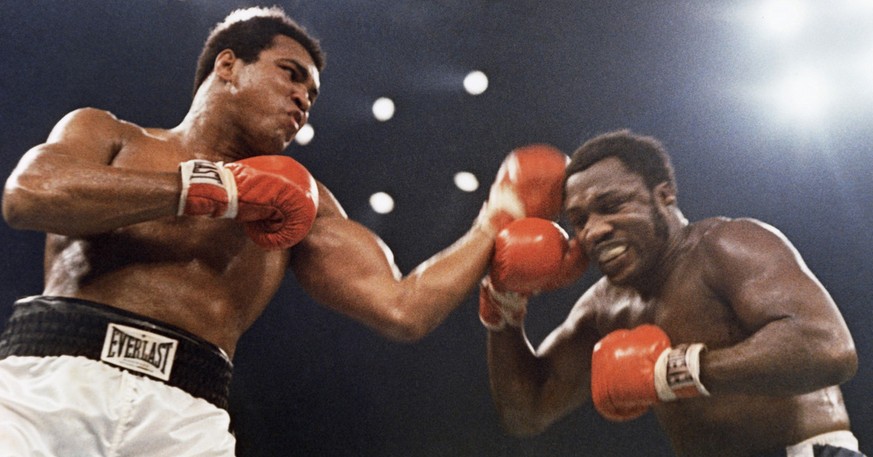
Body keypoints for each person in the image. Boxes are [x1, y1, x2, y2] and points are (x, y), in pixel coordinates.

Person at [0, 6, 570, 456]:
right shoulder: (111, 135)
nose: (302, 99)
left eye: (313, 94)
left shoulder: (307, 204)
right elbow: (30, 196)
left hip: (183, 416)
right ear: (228, 66)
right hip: (53, 382)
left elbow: (402, 308)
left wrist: (495, 218)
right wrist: (217, 189)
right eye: (290, 75)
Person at [479, 129, 864, 457]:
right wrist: (503, 308)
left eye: (611, 206)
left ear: (664, 195)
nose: (594, 230)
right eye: (579, 221)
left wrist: (672, 373)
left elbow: (828, 348)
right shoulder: (604, 307)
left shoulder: (727, 246)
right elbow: (526, 412)